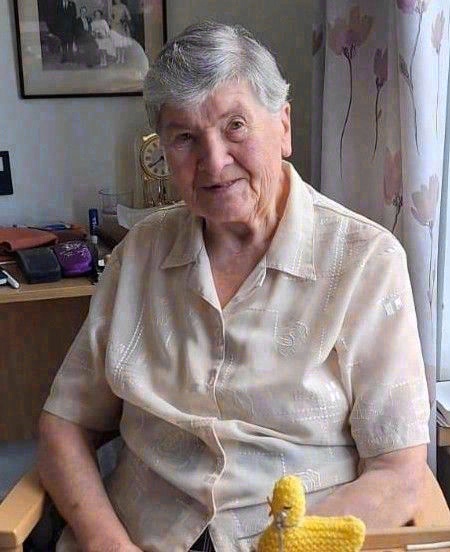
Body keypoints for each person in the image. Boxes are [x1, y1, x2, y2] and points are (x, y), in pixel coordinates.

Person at [38, 21, 430, 552]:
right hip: (140, 537)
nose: (215, 161)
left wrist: (296, 544)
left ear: (283, 127)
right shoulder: (139, 254)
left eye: (235, 126)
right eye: (185, 139)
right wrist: (109, 544)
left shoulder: (366, 261)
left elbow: (398, 471)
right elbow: (65, 424)